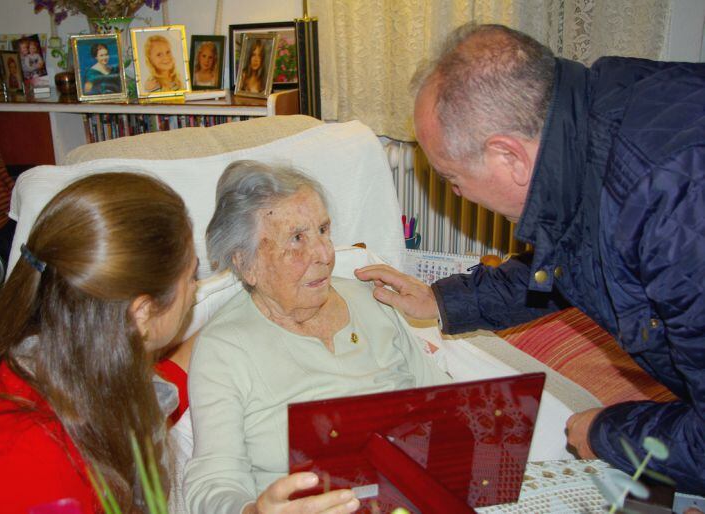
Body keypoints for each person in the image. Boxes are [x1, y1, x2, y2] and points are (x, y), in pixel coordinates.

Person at [354, 23, 705, 494]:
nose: (456, 193)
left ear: (509, 157)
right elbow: (570, 254)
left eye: (453, 179)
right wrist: (441, 301)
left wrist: (607, 432)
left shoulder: (672, 208)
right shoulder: (591, 117)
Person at [184, 160, 451, 513]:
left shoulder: (373, 299)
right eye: (297, 239)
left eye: (323, 230)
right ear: (246, 263)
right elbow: (213, 483)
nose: (325, 254)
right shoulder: (225, 348)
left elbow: (445, 407)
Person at [0, 172, 198, 513]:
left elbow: (160, 380)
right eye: (192, 276)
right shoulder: (29, 460)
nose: (195, 290)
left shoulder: (52, 359)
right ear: (143, 312)